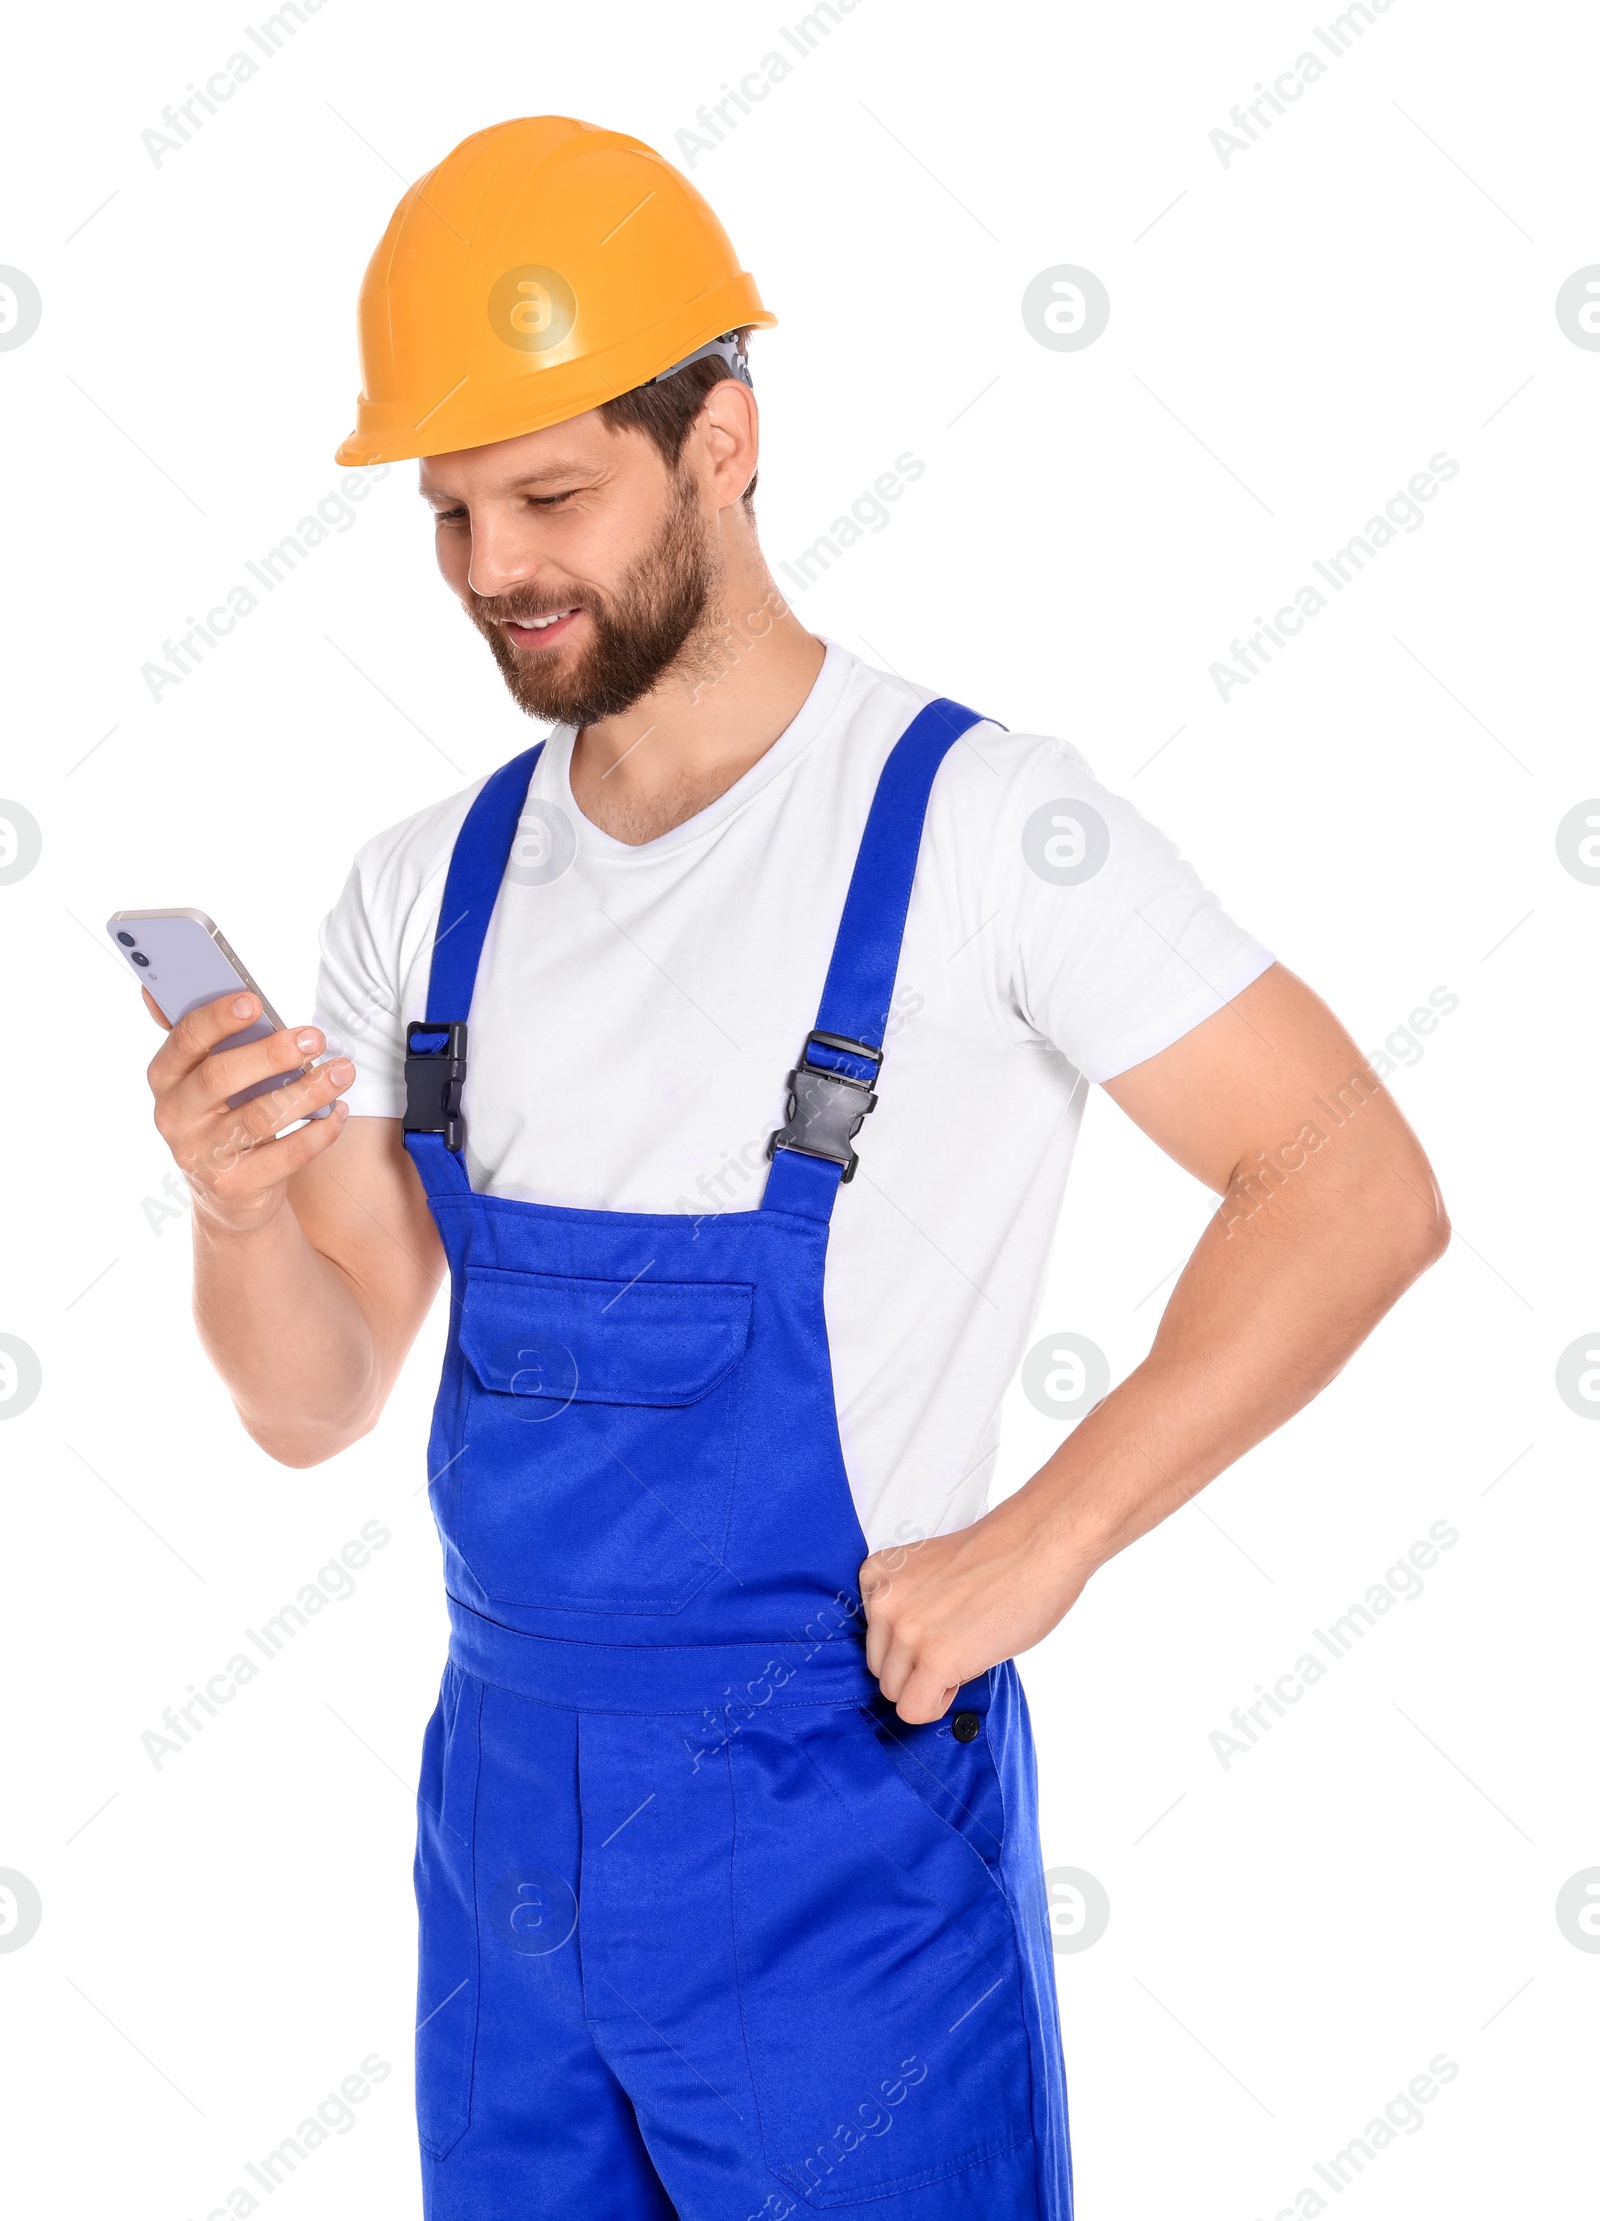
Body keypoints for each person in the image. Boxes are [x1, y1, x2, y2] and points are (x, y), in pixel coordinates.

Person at [141, 117, 1448, 2221]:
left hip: (833, 1845)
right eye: (451, 511)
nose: (494, 572)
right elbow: (312, 1398)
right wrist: (229, 1214)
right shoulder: (426, 891)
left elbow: (1348, 1179)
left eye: (552, 493)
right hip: (505, 1860)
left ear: (723, 440)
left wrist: (1049, 1536)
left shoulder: (985, 826)